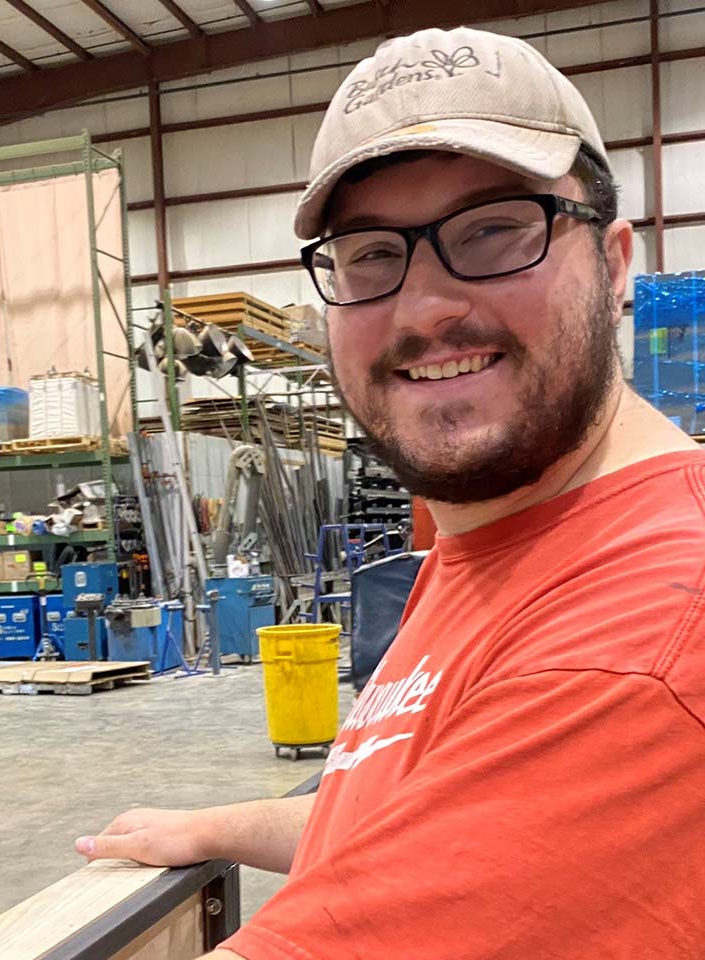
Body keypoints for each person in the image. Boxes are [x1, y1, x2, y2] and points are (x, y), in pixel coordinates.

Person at [76, 25, 705, 960]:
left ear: (614, 267)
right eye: (372, 255)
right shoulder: (511, 543)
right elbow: (438, 808)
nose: (422, 308)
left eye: (494, 230)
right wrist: (226, 827)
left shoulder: (644, 643)